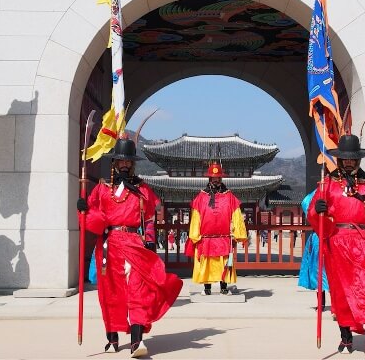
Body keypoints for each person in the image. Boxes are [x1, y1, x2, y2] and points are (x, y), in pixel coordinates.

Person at [77, 137, 183, 358]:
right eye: (120, 161)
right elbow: (94, 220)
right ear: (114, 162)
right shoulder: (103, 189)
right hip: (110, 244)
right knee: (111, 293)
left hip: (135, 244)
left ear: (133, 164)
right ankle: (112, 335)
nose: (124, 165)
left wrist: (151, 242)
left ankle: (136, 341)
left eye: (128, 162)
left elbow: (151, 219)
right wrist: (84, 209)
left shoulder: (143, 189)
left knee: (139, 291)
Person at [307, 134, 365, 360]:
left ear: (358, 159)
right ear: (339, 159)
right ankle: (345, 336)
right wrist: (319, 208)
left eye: (352, 158)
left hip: (364, 241)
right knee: (341, 292)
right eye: (344, 158)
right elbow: (315, 217)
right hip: (336, 241)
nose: (348, 162)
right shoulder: (327, 185)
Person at [185, 161, 247, 295]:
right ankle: (207, 288)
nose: (216, 180)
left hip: (224, 237)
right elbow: (196, 217)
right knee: (206, 263)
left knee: (223, 263)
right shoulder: (201, 197)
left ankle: (223, 287)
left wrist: (238, 233)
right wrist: (194, 235)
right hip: (205, 238)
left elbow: (237, 215)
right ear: (209, 178)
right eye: (213, 178)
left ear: (221, 178)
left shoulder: (229, 196)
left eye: (218, 178)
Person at [298, 189, 330, 312]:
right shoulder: (315, 196)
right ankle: (321, 303)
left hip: (332, 236)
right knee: (318, 272)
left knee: (333, 272)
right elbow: (306, 205)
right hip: (319, 238)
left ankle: (336, 306)